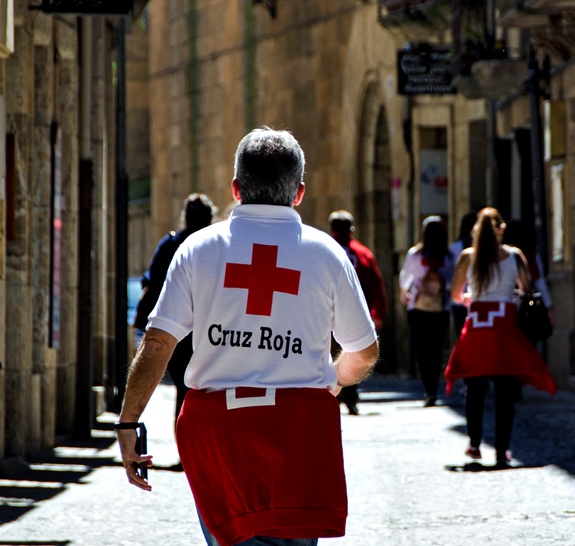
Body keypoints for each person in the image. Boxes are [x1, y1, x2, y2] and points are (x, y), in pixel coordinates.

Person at [117, 128, 380, 546]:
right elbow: (363, 352)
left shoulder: (198, 249)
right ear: (299, 193)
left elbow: (158, 343)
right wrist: (334, 381)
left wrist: (129, 420)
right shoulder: (326, 253)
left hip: (218, 432)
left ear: (236, 189)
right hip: (300, 429)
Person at [444, 207, 557, 466]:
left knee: (474, 387)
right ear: (502, 229)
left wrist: (473, 297)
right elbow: (527, 289)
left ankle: (474, 444)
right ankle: (502, 450)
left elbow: (455, 297)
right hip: (505, 326)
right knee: (505, 390)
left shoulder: (467, 257)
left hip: (477, 326)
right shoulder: (514, 256)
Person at [132, 193, 217, 428]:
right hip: (210, 328)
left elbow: (151, 279)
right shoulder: (215, 247)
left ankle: (184, 446)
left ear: (185, 218)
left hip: (176, 328)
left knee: (182, 387)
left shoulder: (171, 244)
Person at [328, 210, 387, 416]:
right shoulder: (363, 254)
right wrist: (378, 312)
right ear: (351, 230)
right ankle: (351, 397)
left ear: (331, 229)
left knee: (328, 356)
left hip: (326, 317)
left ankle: (330, 398)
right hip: (355, 315)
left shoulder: (325, 251)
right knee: (353, 352)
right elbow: (375, 284)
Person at [399, 216, 454, 407]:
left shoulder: (416, 255)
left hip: (418, 308)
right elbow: (453, 283)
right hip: (441, 308)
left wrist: (404, 294)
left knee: (422, 351)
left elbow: (405, 279)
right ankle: (434, 388)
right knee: (436, 349)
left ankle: (428, 390)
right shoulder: (447, 257)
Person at [502, 219, 557, 329]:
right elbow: (539, 281)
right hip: (524, 305)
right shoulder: (531, 254)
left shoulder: (502, 255)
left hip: (504, 305)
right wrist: (549, 306)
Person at [448, 212, 478, 334]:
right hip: (476, 301)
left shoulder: (454, 249)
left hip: (459, 302)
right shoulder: (483, 251)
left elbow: (449, 274)